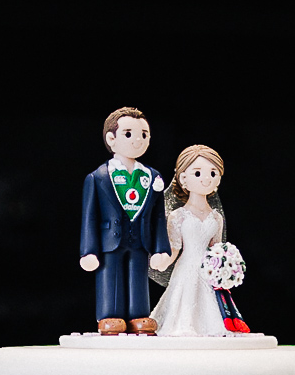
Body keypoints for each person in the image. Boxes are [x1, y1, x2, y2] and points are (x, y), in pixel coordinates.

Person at [79, 108, 173, 335]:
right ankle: (109, 316)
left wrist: (162, 248)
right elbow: (89, 217)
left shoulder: (152, 177)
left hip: (140, 240)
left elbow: (158, 217)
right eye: (129, 134)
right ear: (111, 139)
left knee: (138, 278)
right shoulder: (98, 176)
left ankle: (138, 315)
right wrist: (88, 250)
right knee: (110, 277)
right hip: (109, 241)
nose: (138, 140)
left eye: (144, 134)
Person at [150, 144, 231, 337]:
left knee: (211, 312)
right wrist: (162, 262)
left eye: (212, 173)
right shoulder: (179, 216)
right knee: (183, 304)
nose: (206, 178)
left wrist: (225, 268)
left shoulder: (216, 218)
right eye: (198, 173)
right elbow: (175, 248)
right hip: (186, 268)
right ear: (183, 179)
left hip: (207, 271)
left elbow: (216, 249)